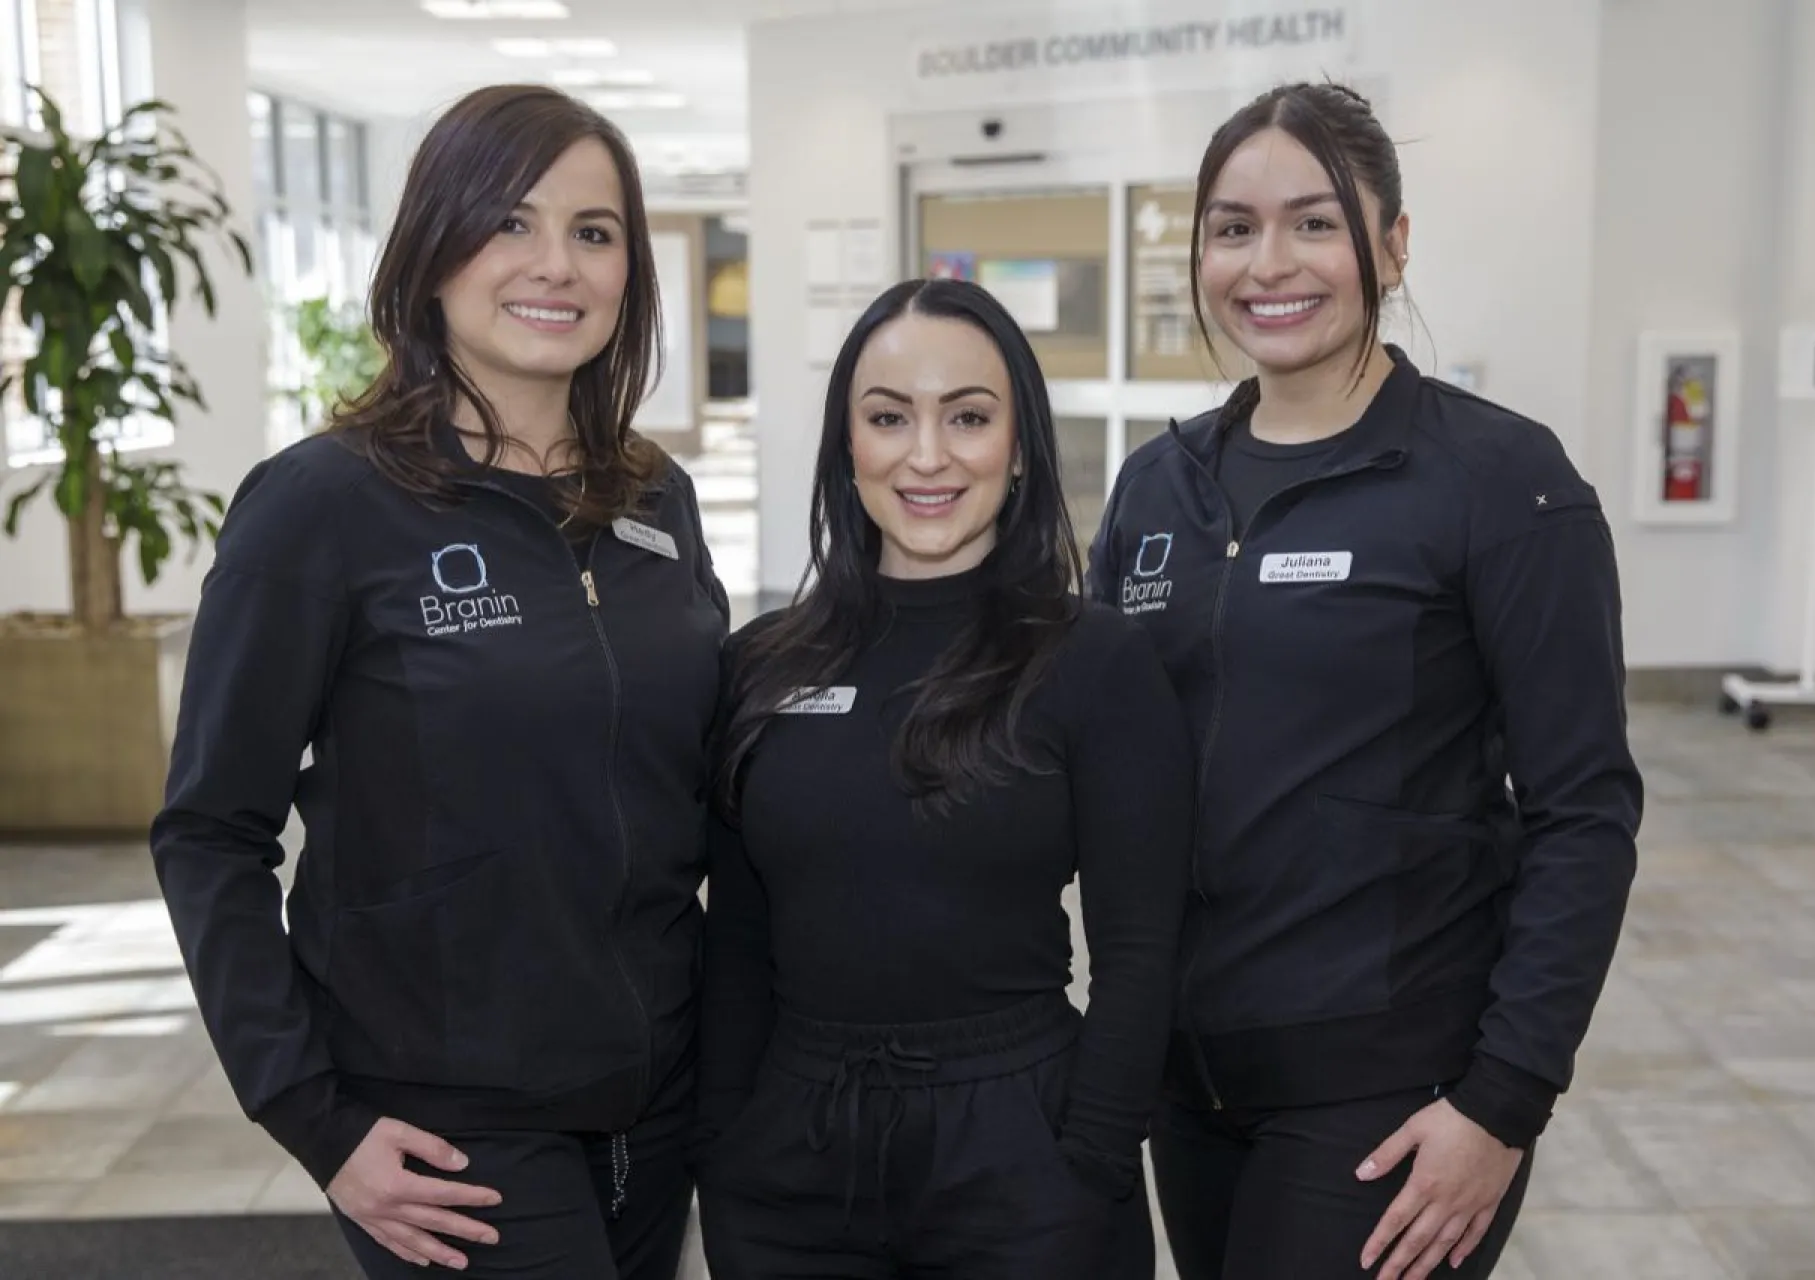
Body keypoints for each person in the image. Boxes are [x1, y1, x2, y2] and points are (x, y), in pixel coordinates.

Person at [150, 84, 729, 1278]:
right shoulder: (322, 506)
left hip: (656, 1095)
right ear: (432, 247)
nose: (555, 264)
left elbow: (692, 783)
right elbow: (211, 828)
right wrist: (310, 1114)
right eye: (510, 222)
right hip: (449, 1123)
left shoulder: (651, 497)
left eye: (593, 231)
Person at [1088, 82, 1642, 1280]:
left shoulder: (1499, 480)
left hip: (1389, 1097)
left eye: (1315, 221)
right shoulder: (1156, 489)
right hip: (1190, 1080)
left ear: (1392, 244)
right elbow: (1088, 760)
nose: (1268, 262)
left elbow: (1584, 812)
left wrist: (1502, 1101)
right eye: (1232, 227)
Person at [695, 278, 1191, 1279]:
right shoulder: (762, 664)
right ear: (847, 444)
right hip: (796, 1157)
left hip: (1021, 1151)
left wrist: (1089, 1157)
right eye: (889, 417)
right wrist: (727, 1147)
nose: (927, 455)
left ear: (1018, 446)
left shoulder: (1092, 659)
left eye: (967, 416)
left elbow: (1142, 948)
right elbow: (740, 941)